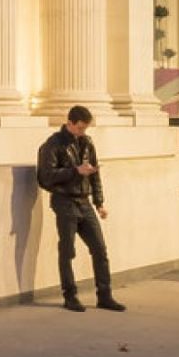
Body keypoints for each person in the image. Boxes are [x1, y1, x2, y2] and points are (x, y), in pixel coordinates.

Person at [36, 105, 124, 313]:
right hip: (64, 201)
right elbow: (45, 178)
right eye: (80, 128)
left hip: (84, 202)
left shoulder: (87, 143)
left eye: (86, 128)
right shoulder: (52, 145)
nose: (83, 132)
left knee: (100, 249)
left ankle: (105, 295)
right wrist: (75, 171)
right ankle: (70, 296)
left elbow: (94, 174)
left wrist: (99, 202)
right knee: (68, 251)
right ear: (70, 123)